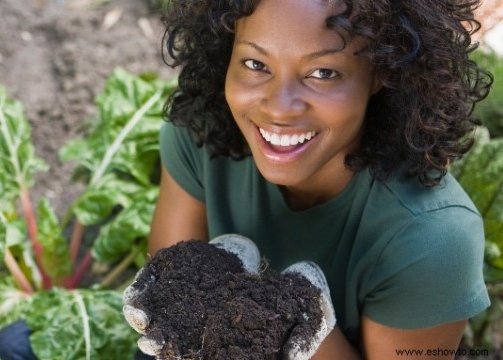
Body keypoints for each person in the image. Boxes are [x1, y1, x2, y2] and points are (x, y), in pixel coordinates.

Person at [123, 0, 493, 358]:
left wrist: (303, 334)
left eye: (323, 73)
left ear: (382, 72)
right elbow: (172, 304)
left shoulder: (433, 239)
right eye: (255, 63)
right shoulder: (201, 134)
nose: (279, 108)